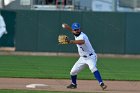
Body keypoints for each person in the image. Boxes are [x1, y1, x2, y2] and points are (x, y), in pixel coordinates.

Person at [62, 22, 107, 90]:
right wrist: (66, 26)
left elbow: (81, 41)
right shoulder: (75, 33)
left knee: (93, 68)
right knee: (72, 72)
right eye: (75, 29)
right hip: (82, 58)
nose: (77, 31)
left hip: (91, 57)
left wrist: (70, 41)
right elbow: (71, 30)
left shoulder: (83, 36)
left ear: (80, 29)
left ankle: (102, 84)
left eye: (78, 29)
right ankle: (74, 84)